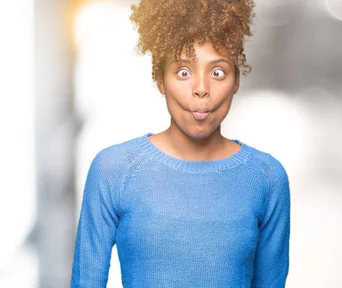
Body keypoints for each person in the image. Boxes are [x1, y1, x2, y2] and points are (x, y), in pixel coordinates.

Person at [70, 0, 291, 287]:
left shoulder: (267, 178)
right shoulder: (114, 171)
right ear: (159, 78)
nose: (201, 88)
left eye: (218, 72)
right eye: (184, 72)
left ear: (236, 79)